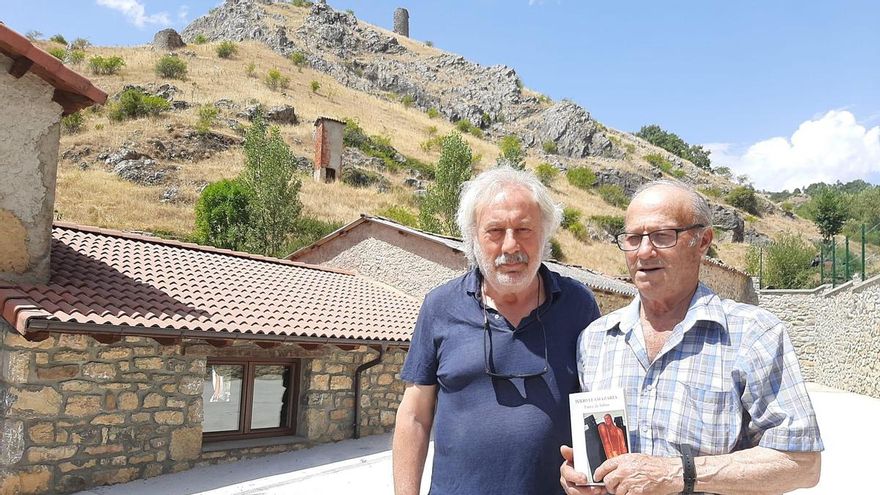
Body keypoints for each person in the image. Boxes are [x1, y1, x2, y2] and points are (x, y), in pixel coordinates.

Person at [560, 180, 823, 495]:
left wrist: (675, 473)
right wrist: (582, 478)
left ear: (703, 241)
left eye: (662, 236)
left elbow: (802, 464)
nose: (644, 251)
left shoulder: (753, 334)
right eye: (633, 238)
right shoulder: (596, 339)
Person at [393, 166, 601, 495]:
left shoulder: (579, 304)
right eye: (494, 231)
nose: (510, 245)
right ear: (473, 237)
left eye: (524, 229)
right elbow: (414, 415)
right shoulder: (439, 306)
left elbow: (597, 403)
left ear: (545, 234)